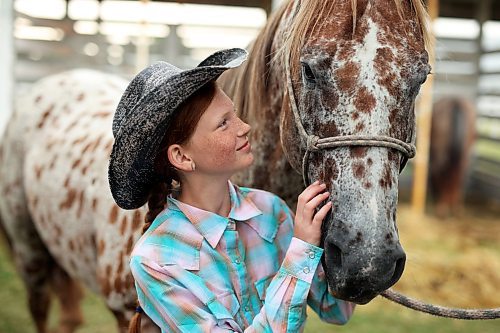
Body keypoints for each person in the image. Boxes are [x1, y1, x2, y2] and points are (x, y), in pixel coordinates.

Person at [108, 48, 355, 333]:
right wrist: (301, 251)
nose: (245, 127)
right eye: (223, 123)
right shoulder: (155, 260)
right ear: (182, 157)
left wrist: (345, 232)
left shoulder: (271, 212)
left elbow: (336, 309)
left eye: (234, 114)